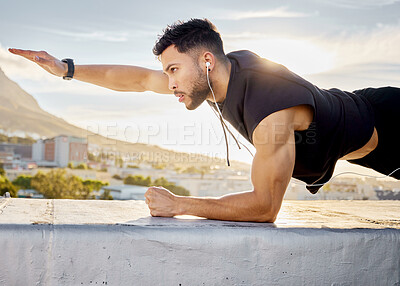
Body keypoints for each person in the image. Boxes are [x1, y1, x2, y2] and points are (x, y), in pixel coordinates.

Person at [9, 18, 400, 222]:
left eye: (174, 70)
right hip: (372, 139)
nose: (169, 82)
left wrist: (179, 204)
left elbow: (264, 207)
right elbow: (140, 79)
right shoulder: (214, 77)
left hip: (393, 124)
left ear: (206, 61)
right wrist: (66, 69)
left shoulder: (271, 110)